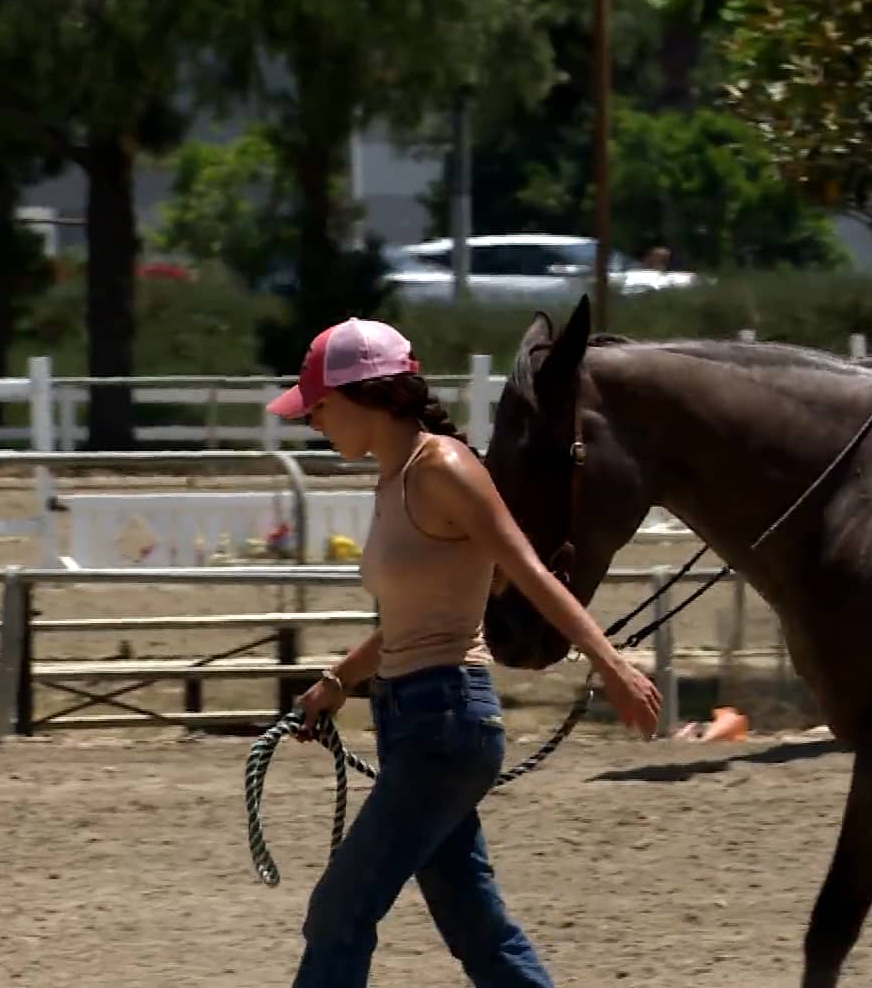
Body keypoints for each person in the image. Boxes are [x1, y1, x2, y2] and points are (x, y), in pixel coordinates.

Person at [269, 316, 662, 987]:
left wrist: (614, 666)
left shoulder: (446, 470)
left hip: (444, 724)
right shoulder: (393, 481)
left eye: (319, 407)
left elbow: (531, 574)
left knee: (339, 910)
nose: (312, 422)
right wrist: (337, 680)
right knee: (476, 926)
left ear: (367, 396)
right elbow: (415, 616)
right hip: (413, 719)